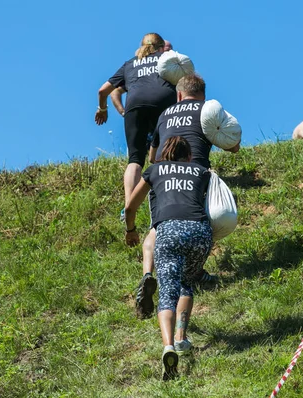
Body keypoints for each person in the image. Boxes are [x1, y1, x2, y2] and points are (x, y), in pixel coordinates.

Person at [134, 74, 240, 319]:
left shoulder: (165, 113)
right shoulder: (207, 111)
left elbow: (152, 157)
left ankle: (148, 274)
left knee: (157, 227)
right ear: (202, 93)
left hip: (162, 177)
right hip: (197, 175)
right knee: (198, 222)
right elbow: (232, 144)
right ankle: (195, 271)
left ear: (179, 94)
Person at [125, 136, 213, 380]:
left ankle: (168, 347)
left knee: (168, 293)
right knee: (187, 280)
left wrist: (131, 230)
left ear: (164, 153)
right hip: (201, 233)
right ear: (188, 157)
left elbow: (131, 207)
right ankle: (181, 339)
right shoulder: (202, 171)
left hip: (170, 232)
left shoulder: (155, 170)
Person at [95, 33, 177, 218]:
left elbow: (103, 90)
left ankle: (128, 207)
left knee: (135, 160)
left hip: (135, 107)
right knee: (168, 151)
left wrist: (102, 109)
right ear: (161, 47)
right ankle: (169, 197)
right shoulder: (167, 58)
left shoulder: (129, 64)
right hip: (162, 103)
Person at [110, 40, 174, 117]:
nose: (170, 53)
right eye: (167, 50)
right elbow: (115, 91)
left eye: (171, 50)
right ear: (158, 49)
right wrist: (123, 112)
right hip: (150, 112)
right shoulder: (136, 69)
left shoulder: (173, 67)